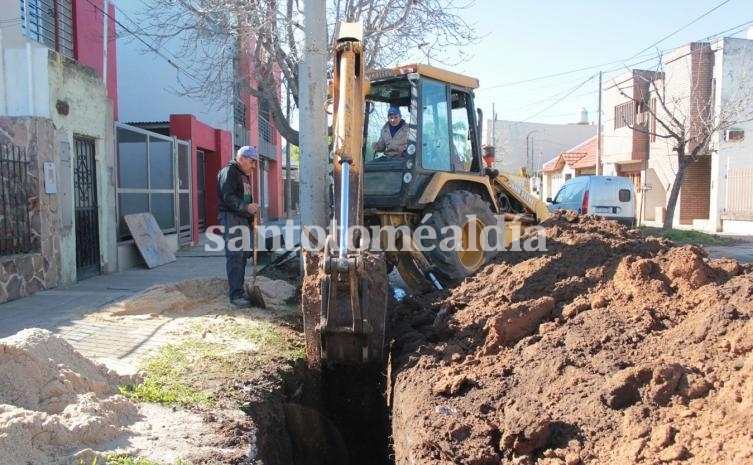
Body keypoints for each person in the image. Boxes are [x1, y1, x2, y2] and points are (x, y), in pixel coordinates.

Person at [217, 146, 261, 307]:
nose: (253, 166)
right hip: (231, 218)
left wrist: (251, 216)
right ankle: (235, 295)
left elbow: (245, 198)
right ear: (241, 158)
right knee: (235, 255)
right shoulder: (229, 172)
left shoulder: (243, 175)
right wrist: (245, 207)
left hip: (242, 219)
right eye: (251, 162)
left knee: (243, 255)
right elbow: (228, 197)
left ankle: (239, 290)